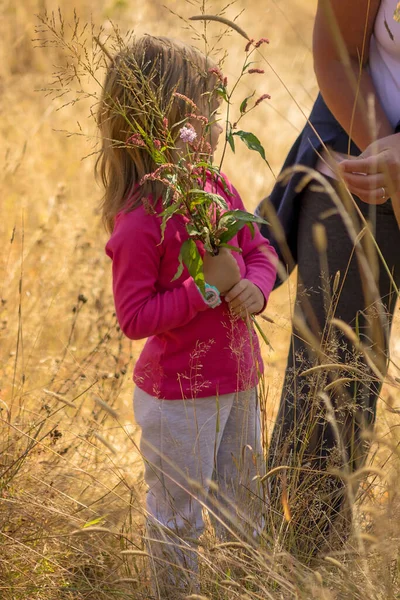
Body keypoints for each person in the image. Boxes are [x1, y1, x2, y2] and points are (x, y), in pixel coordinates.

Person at [99, 36, 277, 596]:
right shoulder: (141, 221)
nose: (220, 131)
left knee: (244, 506)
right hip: (178, 396)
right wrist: (206, 287)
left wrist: (254, 285)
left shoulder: (217, 189)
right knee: (179, 515)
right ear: (164, 126)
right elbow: (133, 316)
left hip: (239, 381)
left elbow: (259, 249)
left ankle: (245, 586)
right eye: (207, 118)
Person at [257, 0, 400, 559]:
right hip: (361, 142)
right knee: (329, 369)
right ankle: (294, 564)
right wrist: (384, 149)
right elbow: (340, 53)